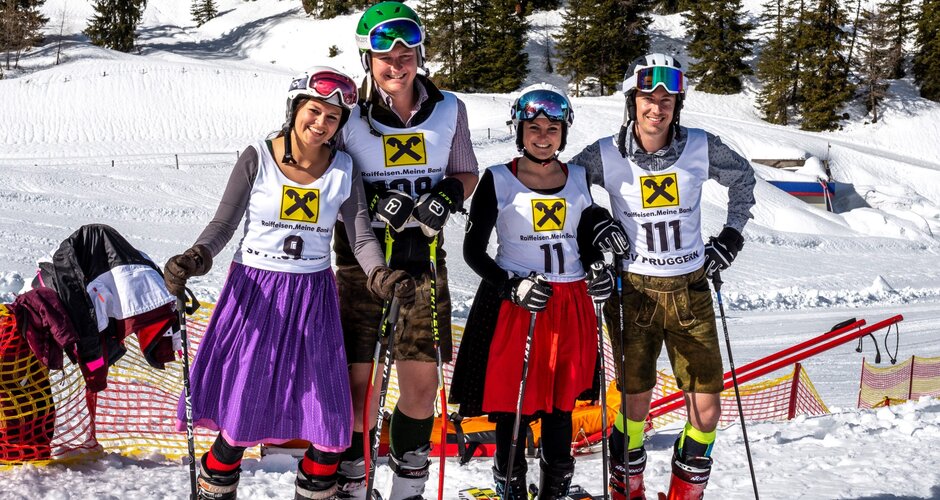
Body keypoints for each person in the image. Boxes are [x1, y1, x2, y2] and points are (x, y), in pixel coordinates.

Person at [163, 66, 416, 500]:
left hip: (313, 298)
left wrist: (379, 274)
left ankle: (316, 489)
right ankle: (215, 484)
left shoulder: (342, 168)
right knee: (244, 411)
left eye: (332, 117)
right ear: (295, 108)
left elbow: (359, 234)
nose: (320, 123)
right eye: (314, 111)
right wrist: (196, 257)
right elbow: (223, 223)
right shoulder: (257, 157)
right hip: (255, 294)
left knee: (330, 416)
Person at [570, 53, 756, 500]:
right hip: (633, 292)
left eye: (667, 100)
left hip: (690, 289)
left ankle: (684, 493)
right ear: (631, 101)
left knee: (706, 411)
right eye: (648, 98)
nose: (657, 108)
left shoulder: (700, 146)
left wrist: (731, 235)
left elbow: (743, 178)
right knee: (635, 404)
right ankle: (626, 490)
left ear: (679, 104)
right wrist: (596, 230)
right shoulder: (604, 154)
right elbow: (568, 188)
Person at [331, 3, 479, 499]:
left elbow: (466, 172)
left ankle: (407, 487)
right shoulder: (349, 119)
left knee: (421, 387)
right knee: (360, 393)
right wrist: (373, 199)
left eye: (405, 53)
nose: (397, 66)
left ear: (419, 54)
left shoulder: (449, 109)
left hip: (421, 263)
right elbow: (327, 179)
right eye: (384, 56)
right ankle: (353, 485)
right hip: (360, 264)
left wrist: (446, 196)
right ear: (367, 60)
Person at [449, 84, 619, 500]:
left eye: (552, 128)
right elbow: (473, 252)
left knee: (562, 405)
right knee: (514, 405)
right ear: (520, 129)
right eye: (534, 127)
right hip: (518, 304)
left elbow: (584, 238)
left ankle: (555, 487)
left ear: (564, 132)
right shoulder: (498, 179)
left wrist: (599, 267)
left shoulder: (578, 177)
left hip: (570, 302)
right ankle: (510, 485)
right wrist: (513, 286)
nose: (543, 136)